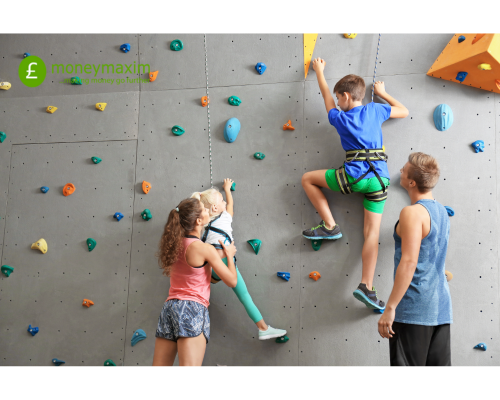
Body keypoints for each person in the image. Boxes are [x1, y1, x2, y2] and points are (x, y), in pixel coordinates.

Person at [301, 58, 409, 309]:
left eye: (340, 98)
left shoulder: (341, 118)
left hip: (354, 177)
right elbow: (403, 111)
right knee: (371, 235)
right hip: (380, 181)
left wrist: (319, 71)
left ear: (347, 97)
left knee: (307, 179)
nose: (337, 102)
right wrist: (382, 93)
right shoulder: (376, 110)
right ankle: (366, 286)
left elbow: (326, 96)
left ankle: (329, 225)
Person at [378, 152, 452, 366]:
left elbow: (409, 262)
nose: (399, 171)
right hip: (441, 308)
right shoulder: (442, 212)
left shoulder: (412, 213)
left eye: (403, 169)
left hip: (414, 308)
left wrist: (390, 307)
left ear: (411, 181)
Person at [192, 179, 287, 340]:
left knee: (202, 291)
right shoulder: (224, 218)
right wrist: (227, 190)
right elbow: (230, 207)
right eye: (220, 200)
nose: (223, 202)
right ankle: (263, 328)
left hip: (211, 268)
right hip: (225, 263)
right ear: (215, 207)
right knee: (244, 296)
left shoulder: (203, 226)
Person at [152, 197, 238, 366]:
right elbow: (232, 281)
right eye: (205, 210)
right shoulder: (204, 248)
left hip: (169, 308)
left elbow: (194, 264)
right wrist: (229, 254)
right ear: (199, 220)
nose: (208, 211)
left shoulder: (175, 245)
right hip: (192, 308)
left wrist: (217, 255)